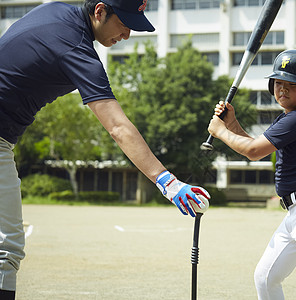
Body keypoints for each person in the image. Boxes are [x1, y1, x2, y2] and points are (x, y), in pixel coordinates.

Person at [0, 0, 210, 298]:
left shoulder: (54, 11)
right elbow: (117, 127)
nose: (126, 35)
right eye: (123, 24)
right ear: (99, 11)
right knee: (6, 249)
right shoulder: (76, 47)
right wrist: (168, 182)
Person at [208, 49, 296, 300]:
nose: (282, 89)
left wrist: (220, 132)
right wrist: (231, 124)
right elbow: (254, 144)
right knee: (266, 277)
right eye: (278, 83)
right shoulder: (288, 118)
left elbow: (252, 151)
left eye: (291, 84)